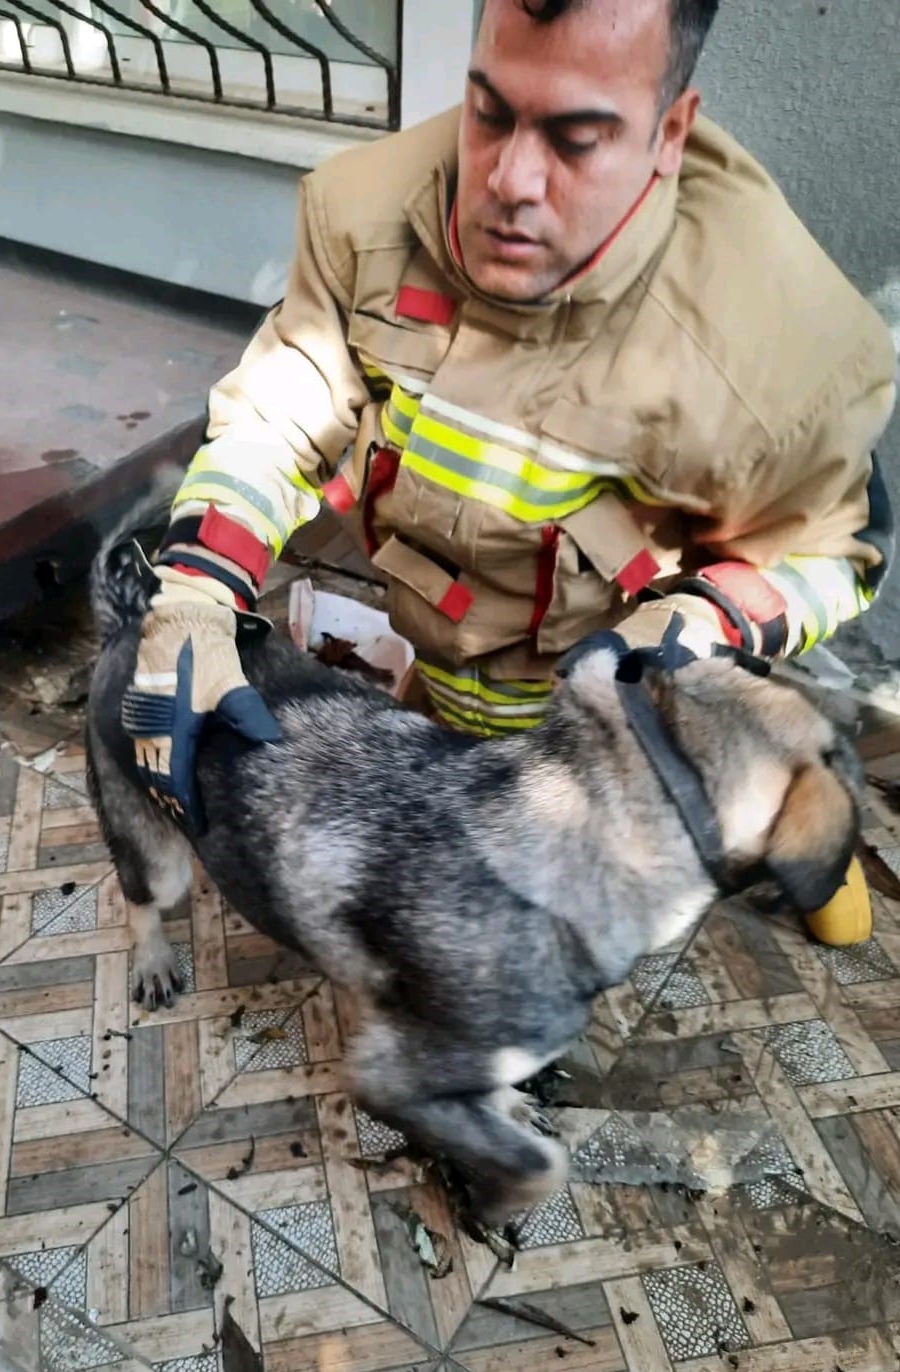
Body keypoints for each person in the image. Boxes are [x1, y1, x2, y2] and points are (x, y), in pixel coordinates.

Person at [127, 0, 895, 938]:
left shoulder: (783, 359)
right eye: (489, 111)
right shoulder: (360, 212)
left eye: (576, 139)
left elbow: (834, 551)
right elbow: (283, 415)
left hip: (606, 689)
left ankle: (819, 856)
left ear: (672, 132)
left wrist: (685, 632)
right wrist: (197, 591)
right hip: (439, 648)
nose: (508, 181)